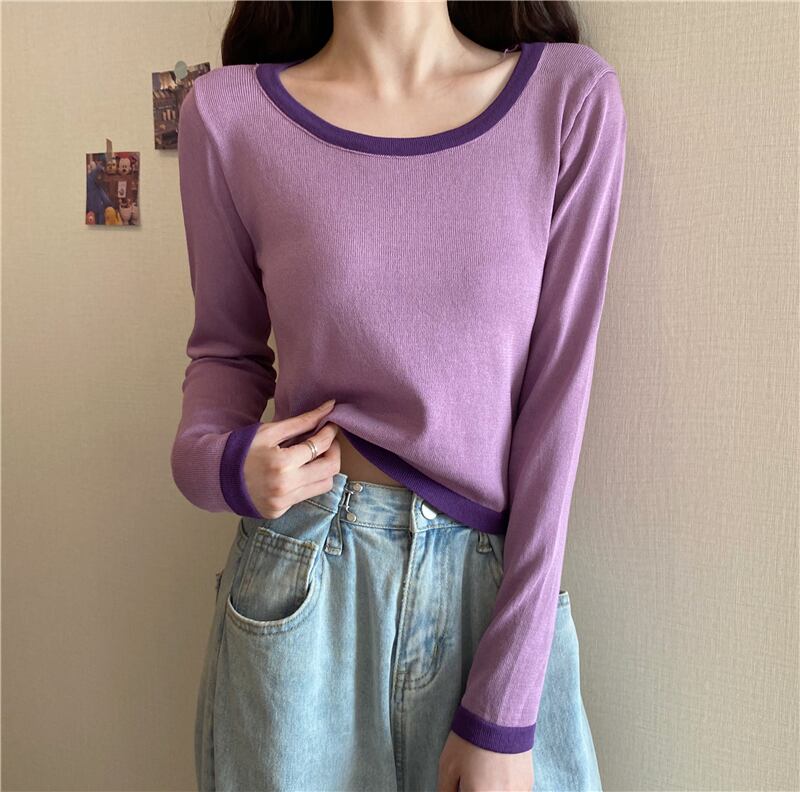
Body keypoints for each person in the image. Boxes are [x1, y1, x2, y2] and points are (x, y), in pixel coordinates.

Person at [170, 1, 627, 790]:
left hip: (491, 591)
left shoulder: (568, 99)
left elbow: (559, 407)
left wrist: (504, 705)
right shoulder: (227, 115)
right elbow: (225, 353)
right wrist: (221, 466)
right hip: (304, 584)